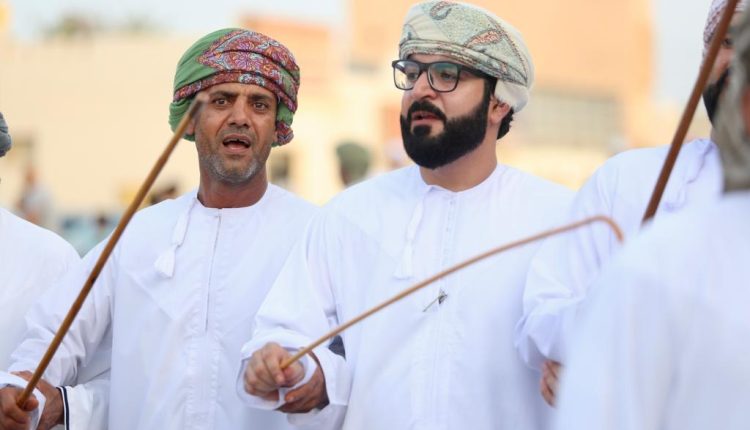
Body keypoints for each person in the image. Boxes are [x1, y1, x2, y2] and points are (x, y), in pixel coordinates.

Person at [239, 2, 572, 429]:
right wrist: (296, 370)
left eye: (447, 75)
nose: (421, 91)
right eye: (412, 73)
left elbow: (605, 344)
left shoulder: (561, 220)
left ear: (499, 103)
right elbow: (289, 331)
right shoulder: (350, 215)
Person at [0, 28, 316, 430]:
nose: (240, 117)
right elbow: (55, 332)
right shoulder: (137, 236)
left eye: (259, 104)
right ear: (190, 120)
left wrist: (308, 375)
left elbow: (344, 368)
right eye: (221, 100)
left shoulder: (315, 236)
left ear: (277, 124)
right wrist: (22, 386)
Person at [514, 0, 746, 406]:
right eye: (728, 41)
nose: (741, 62)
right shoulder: (627, 180)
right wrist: (595, 358)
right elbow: (543, 316)